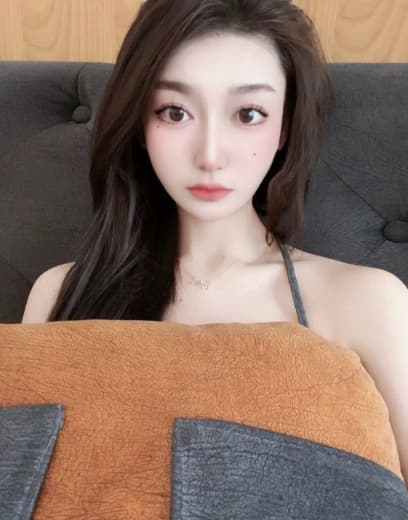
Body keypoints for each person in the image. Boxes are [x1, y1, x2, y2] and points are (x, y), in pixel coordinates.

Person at [21, 0, 407, 484]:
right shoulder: (60, 294)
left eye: (248, 114)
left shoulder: (365, 301)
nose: (209, 155)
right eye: (174, 112)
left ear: (284, 126)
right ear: (139, 123)